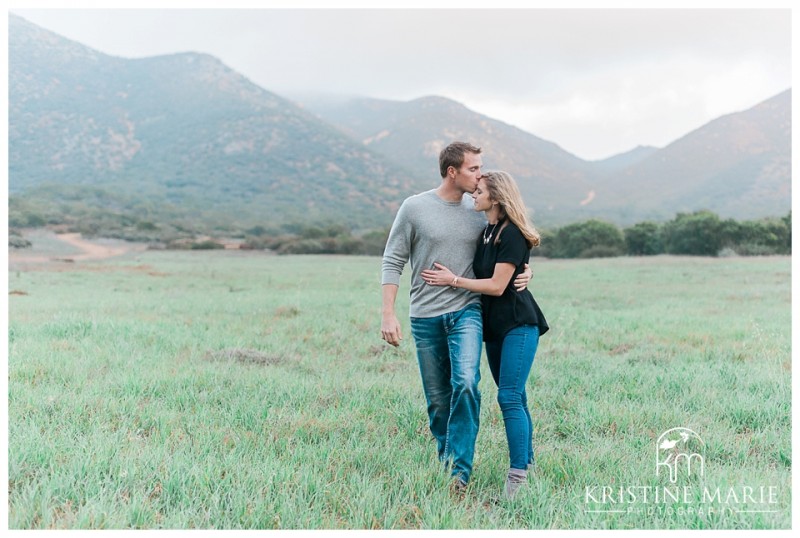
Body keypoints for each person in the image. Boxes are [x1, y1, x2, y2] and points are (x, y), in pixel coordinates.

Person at [381, 142, 531, 493]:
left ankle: (458, 477)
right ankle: (447, 460)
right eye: (473, 169)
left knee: (465, 383)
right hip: (424, 315)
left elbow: (511, 236)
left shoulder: (480, 206)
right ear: (453, 172)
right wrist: (388, 314)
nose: (480, 175)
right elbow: (392, 261)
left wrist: (527, 272)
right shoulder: (415, 208)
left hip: (467, 311)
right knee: (437, 401)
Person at [421, 170, 548, 498]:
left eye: (479, 191)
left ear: (497, 197)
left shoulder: (512, 234)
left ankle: (517, 477)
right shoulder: (487, 231)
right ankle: (529, 464)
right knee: (516, 396)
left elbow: (496, 285)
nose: (473, 195)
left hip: (519, 323)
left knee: (508, 396)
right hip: (495, 329)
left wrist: (452, 281)